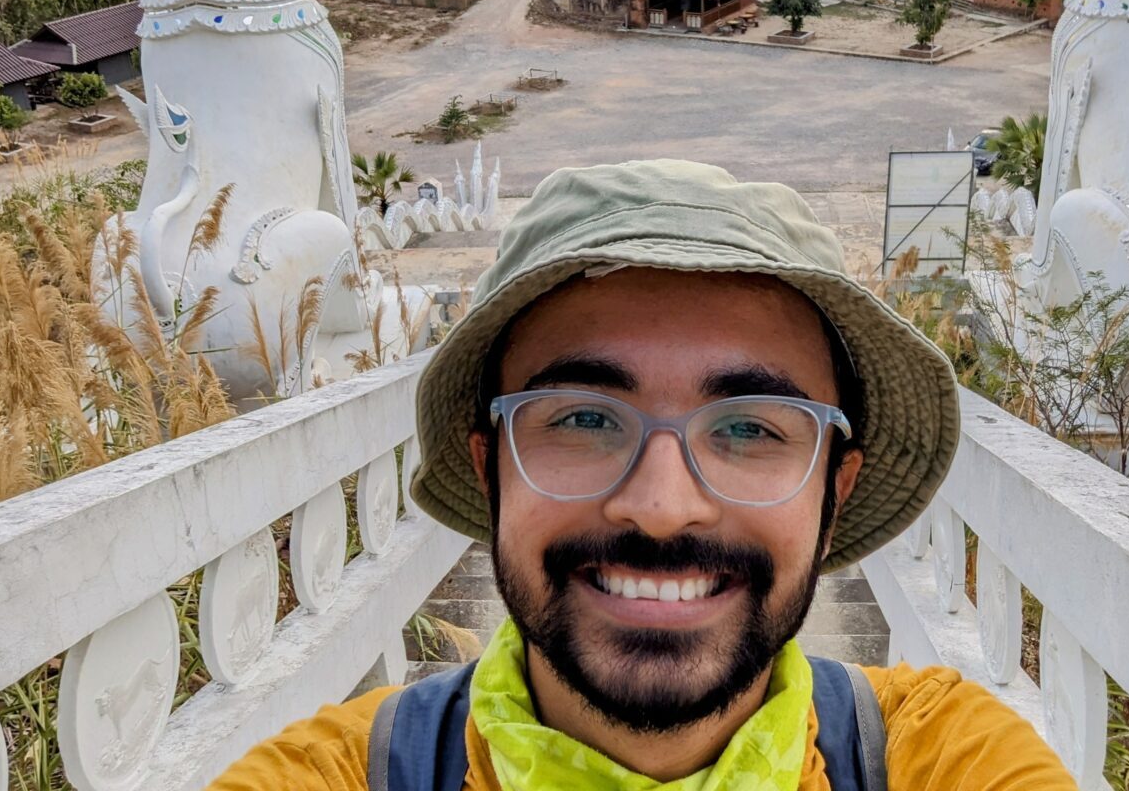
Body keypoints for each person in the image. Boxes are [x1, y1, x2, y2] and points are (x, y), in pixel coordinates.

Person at [208, 160, 1076, 791]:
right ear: (490, 470)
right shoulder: (339, 775)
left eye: (749, 427)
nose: (662, 509)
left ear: (834, 493)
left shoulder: (938, 757)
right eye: (584, 419)